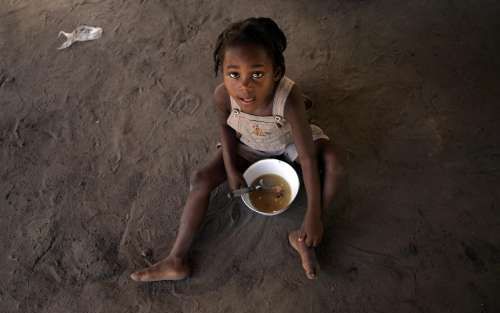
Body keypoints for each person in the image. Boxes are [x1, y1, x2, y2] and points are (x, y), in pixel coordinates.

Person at [130, 17, 343, 282]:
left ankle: (304, 236)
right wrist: (231, 170)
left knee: (333, 161)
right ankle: (176, 259)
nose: (244, 85)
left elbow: (309, 158)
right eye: (233, 74)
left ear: (276, 72)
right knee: (201, 180)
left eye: (257, 74)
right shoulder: (223, 96)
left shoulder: (288, 98)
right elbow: (228, 132)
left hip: (288, 143)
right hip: (249, 146)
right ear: (222, 72)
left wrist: (313, 213)